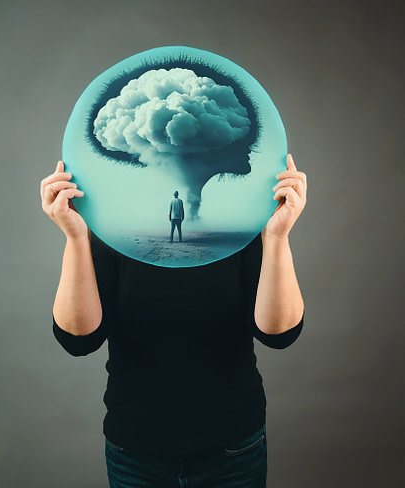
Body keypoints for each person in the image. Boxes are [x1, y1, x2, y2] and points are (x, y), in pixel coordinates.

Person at [40, 155, 307, 487]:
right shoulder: (113, 231)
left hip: (234, 450)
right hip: (135, 454)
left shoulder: (241, 227)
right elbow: (78, 340)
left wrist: (277, 237)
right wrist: (76, 238)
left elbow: (279, 334)